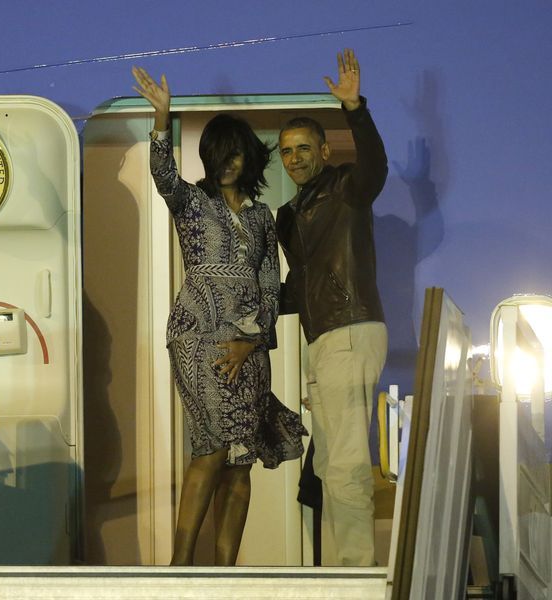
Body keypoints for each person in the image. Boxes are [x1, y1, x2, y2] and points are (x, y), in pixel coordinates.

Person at [132, 66, 308, 566]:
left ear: (248, 156)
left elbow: (270, 289)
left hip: (249, 347)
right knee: (211, 444)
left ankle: (225, 573)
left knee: (241, 460)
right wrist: (162, 119)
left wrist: (252, 342)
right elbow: (163, 174)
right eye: (218, 153)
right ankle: (180, 567)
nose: (227, 162)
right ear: (208, 158)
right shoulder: (190, 202)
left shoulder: (260, 218)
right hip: (196, 336)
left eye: (235, 152)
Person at [276, 49, 388, 566]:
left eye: (303, 148)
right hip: (321, 339)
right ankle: (346, 571)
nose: (294, 158)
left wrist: (354, 108)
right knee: (327, 468)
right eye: (286, 151)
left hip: (349, 328)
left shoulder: (346, 187)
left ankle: (358, 578)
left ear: (323, 151)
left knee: (342, 464)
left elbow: (375, 165)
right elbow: (297, 286)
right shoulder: (289, 214)